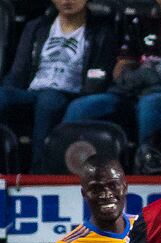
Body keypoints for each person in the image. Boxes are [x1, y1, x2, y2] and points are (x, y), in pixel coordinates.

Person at [63, 0, 161, 144]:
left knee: (151, 104)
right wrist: (137, 75)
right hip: (132, 90)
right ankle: (59, 167)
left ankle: (149, 164)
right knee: (80, 107)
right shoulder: (144, 22)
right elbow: (121, 67)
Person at [0, 0, 117, 172]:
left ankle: (39, 173)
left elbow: (98, 76)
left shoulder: (102, 31)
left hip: (70, 93)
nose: (66, 1)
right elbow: (18, 71)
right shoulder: (36, 27)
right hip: (33, 90)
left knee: (49, 101)